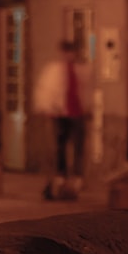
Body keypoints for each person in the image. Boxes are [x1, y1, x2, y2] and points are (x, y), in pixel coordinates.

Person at [33, 40, 89, 200]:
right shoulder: (54, 70)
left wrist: (88, 107)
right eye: (66, 52)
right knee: (59, 146)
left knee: (78, 147)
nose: (69, 55)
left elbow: (87, 90)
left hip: (77, 113)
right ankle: (61, 175)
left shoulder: (82, 70)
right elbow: (44, 90)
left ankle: (78, 177)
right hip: (59, 114)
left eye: (71, 52)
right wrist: (47, 107)